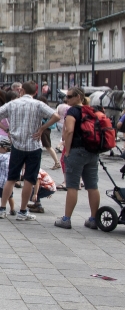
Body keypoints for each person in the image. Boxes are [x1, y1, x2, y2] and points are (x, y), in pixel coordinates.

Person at [0, 81, 56, 222]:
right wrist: (42, 128)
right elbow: (56, 116)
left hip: (17, 145)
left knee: (11, 178)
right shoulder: (38, 105)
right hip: (33, 146)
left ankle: (2, 208)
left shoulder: (12, 104)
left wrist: (6, 129)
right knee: (29, 180)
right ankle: (23, 211)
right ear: (35, 92)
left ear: (21, 91)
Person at [53, 87, 101, 230]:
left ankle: (66, 219)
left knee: (72, 186)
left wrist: (67, 150)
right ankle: (93, 219)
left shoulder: (72, 111)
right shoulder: (91, 110)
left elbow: (69, 131)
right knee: (92, 186)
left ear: (79, 96)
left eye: (70, 96)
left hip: (77, 151)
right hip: (92, 152)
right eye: (66, 96)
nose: (67, 99)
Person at [0, 140, 16, 217]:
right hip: (10, 181)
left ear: (5, 148)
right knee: (10, 196)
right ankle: (12, 209)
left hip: (1, 180)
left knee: (3, 195)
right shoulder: (12, 156)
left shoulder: (2, 157)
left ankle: (2, 207)